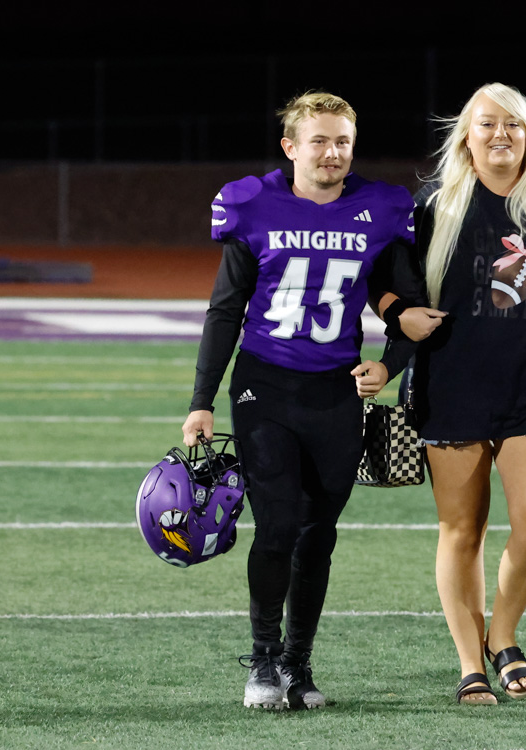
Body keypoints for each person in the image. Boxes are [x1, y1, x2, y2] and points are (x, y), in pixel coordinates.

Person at [181, 91, 439, 711]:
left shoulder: (381, 207)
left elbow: (408, 306)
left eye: (343, 141)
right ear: (290, 147)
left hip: (337, 390)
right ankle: (264, 660)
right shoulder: (253, 203)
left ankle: (299, 664)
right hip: (263, 385)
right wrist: (201, 401)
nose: (332, 152)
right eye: (319, 140)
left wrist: (391, 364)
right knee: (276, 527)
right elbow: (225, 309)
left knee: (318, 535)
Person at [397, 82, 526, 705]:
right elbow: (394, 287)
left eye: (513, 125)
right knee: (461, 529)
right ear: (467, 133)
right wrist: (393, 334)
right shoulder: (434, 204)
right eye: (487, 124)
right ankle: (471, 661)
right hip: (452, 383)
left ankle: (503, 632)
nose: (500, 135)